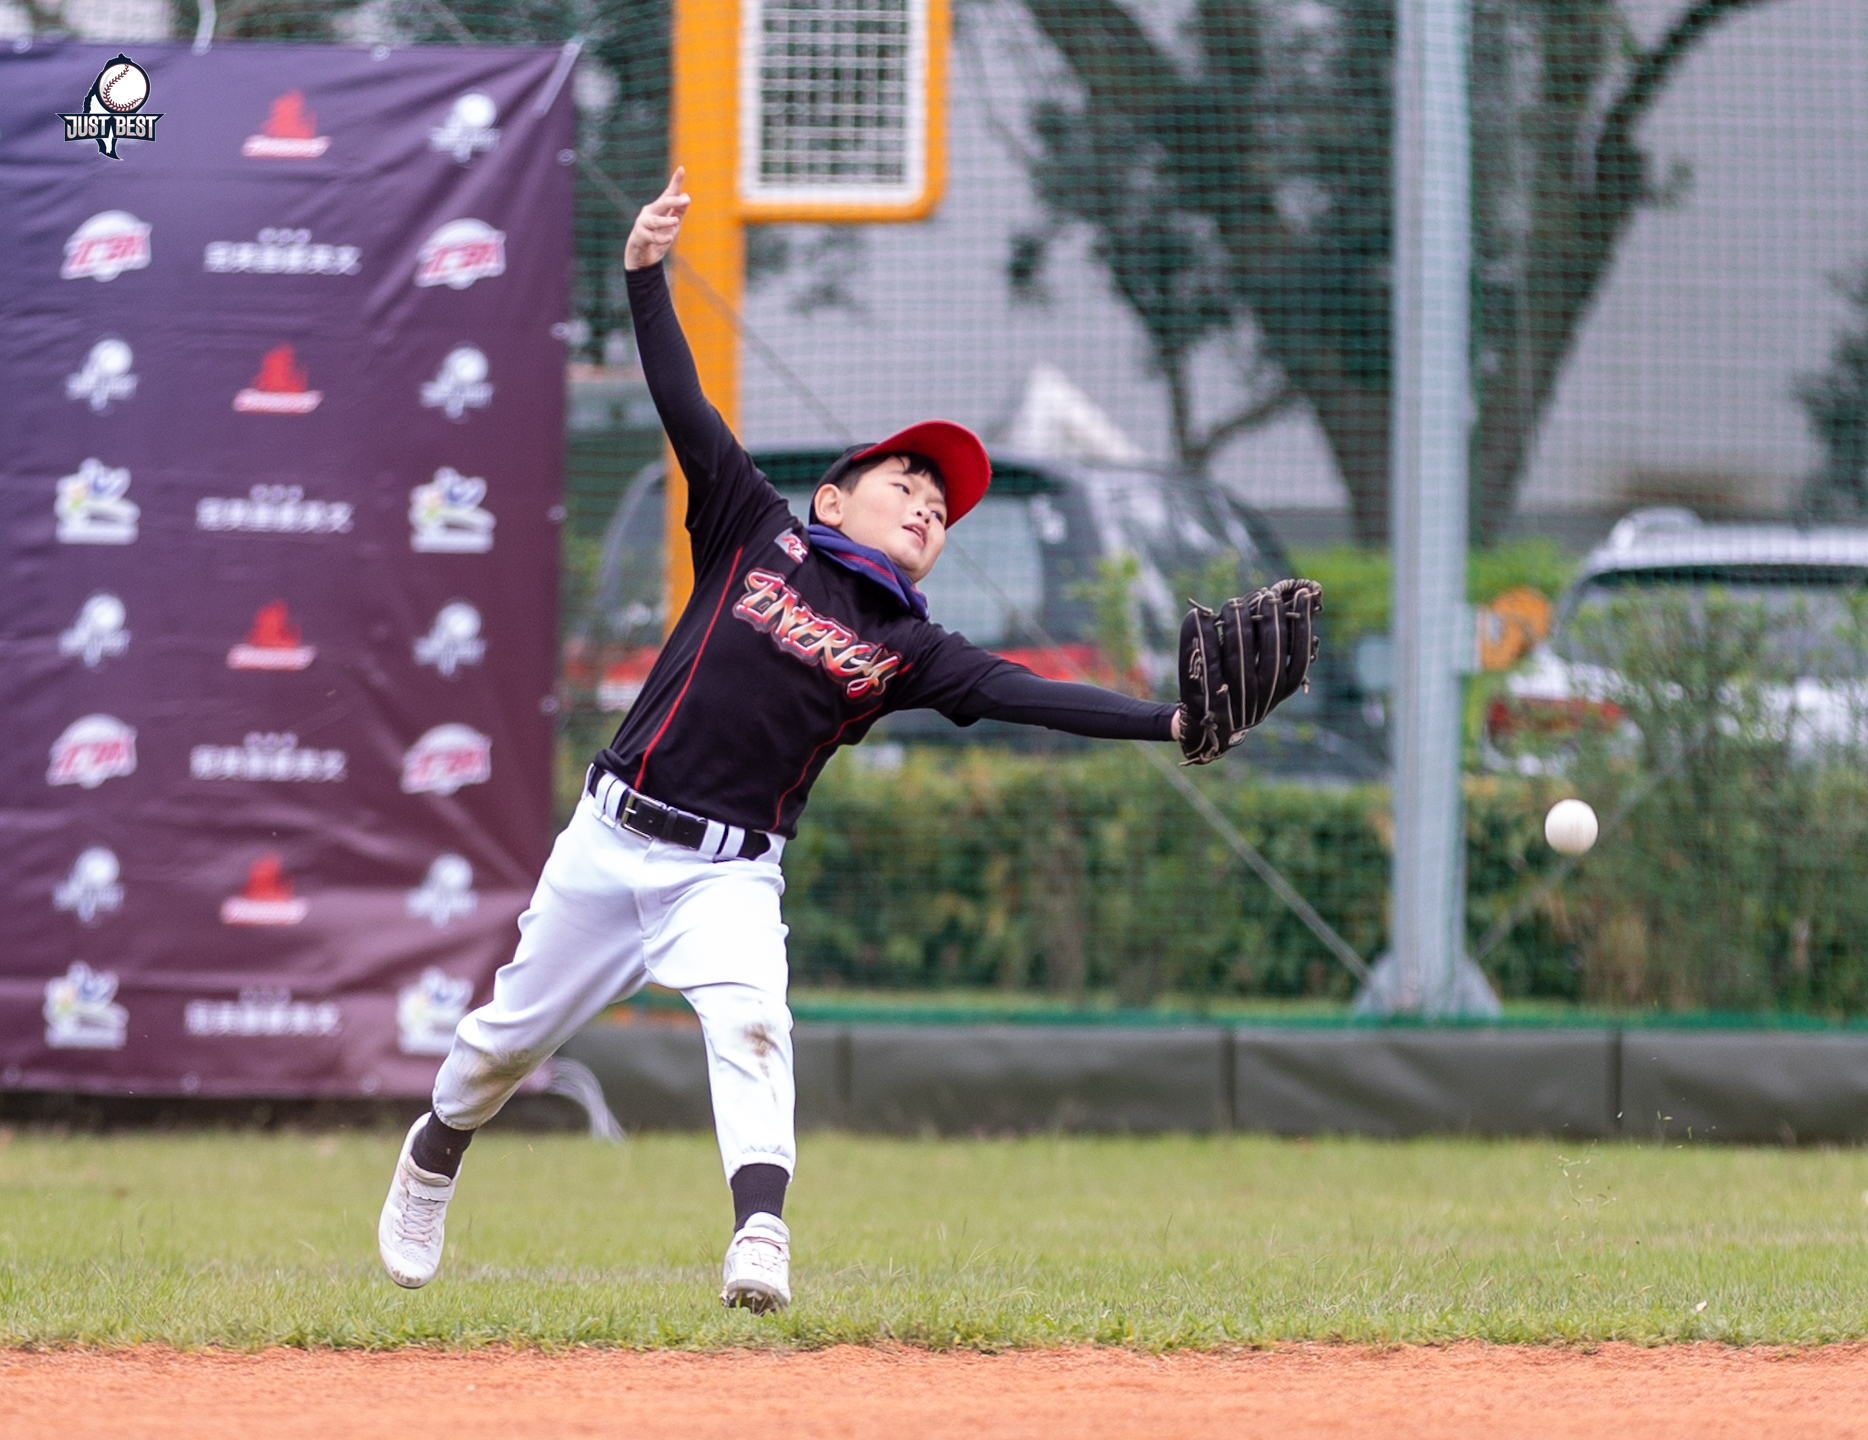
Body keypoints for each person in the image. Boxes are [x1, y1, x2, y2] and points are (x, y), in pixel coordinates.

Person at [377, 168, 1317, 1312]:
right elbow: (683, 404)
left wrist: (1170, 721)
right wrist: (644, 275)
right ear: (833, 500)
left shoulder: (910, 646)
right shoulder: (753, 530)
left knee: (753, 1023)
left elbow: (1026, 693)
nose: (928, 504)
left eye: (942, 507)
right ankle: (435, 1152)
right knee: (501, 1047)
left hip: (725, 874)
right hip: (610, 840)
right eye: (906, 480)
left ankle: (759, 1233)